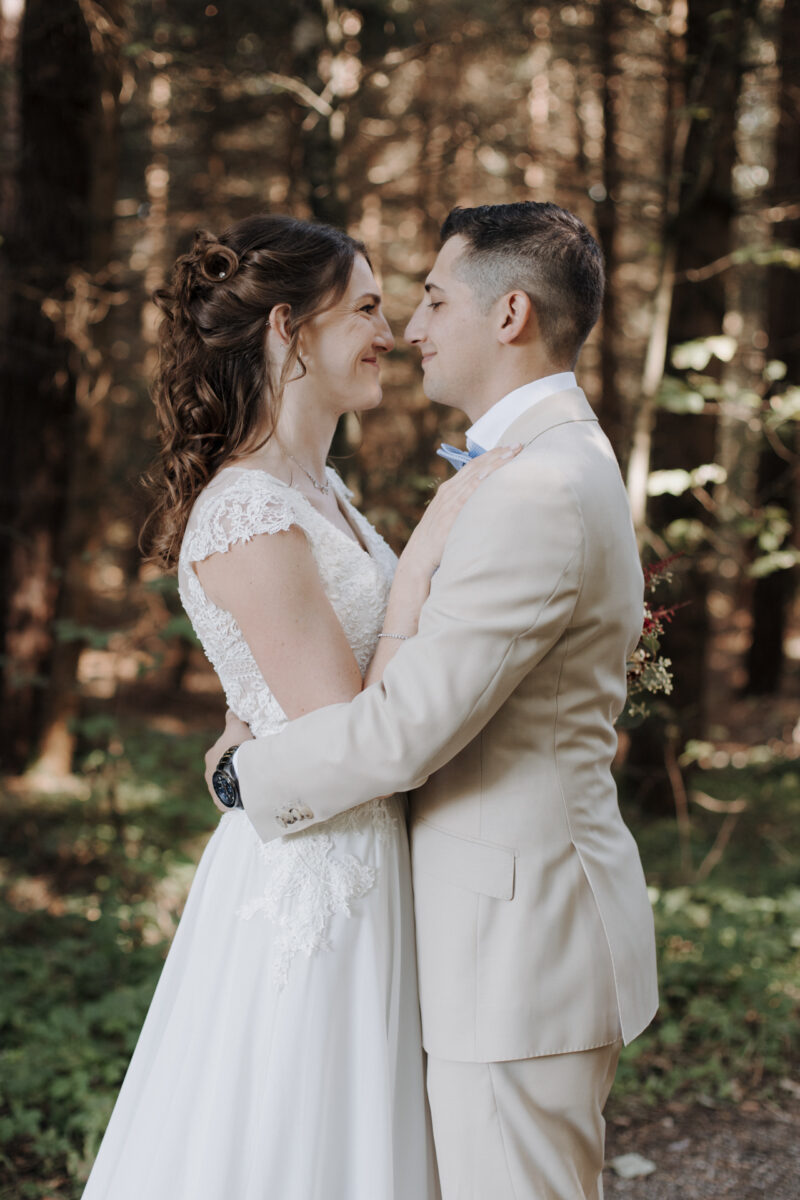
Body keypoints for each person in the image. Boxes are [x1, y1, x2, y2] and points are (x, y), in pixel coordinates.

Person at [207, 202, 660, 1200]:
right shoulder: (541, 465)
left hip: (513, 954)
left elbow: (404, 730)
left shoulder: (536, 486)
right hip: (475, 933)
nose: (410, 329)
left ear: (507, 316)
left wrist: (244, 776)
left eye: (430, 298)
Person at [82, 213, 520, 1200]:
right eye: (365, 307)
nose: (391, 332)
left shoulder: (323, 494)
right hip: (316, 878)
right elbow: (347, 730)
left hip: (365, 855)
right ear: (289, 329)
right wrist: (433, 543)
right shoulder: (247, 508)